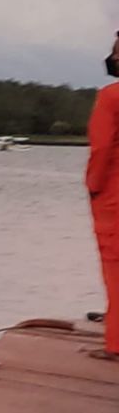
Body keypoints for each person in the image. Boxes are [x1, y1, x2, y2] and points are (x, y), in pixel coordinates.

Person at [88, 32, 119, 360]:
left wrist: (93, 186)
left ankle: (116, 344)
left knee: (115, 266)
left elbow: (102, 148)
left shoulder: (111, 97)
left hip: (114, 194)